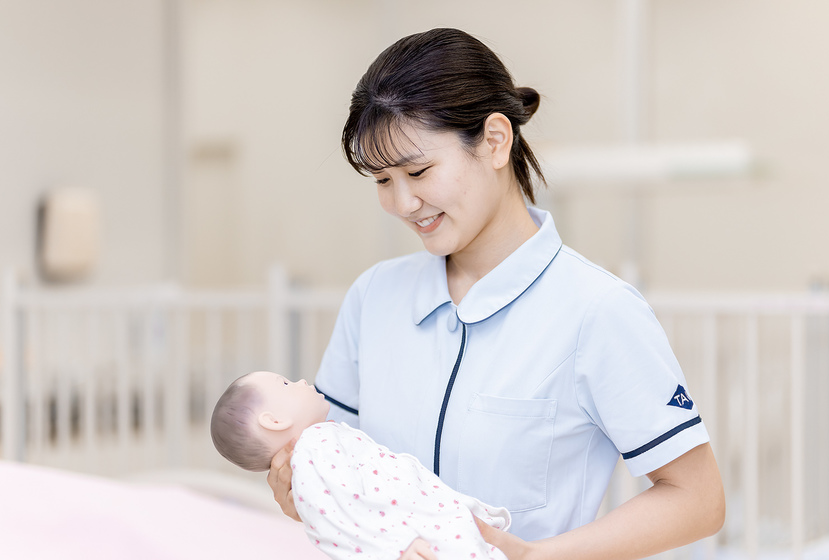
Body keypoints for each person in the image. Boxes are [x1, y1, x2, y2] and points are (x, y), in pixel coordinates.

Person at [267, 27, 725, 560]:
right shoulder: (373, 297)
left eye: (417, 171)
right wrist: (299, 491)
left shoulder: (597, 311)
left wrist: (534, 557)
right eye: (382, 180)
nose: (403, 202)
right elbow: (337, 466)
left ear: (494, 141)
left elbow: (699, 499)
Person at [211, 371, 512, 560]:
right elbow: (343, 521)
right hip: (418, 536)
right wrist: (395, 549)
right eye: (286, 383)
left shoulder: (324, 440)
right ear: (274, 421)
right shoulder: (312, 451)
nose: (301, 381)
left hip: (426, 527)